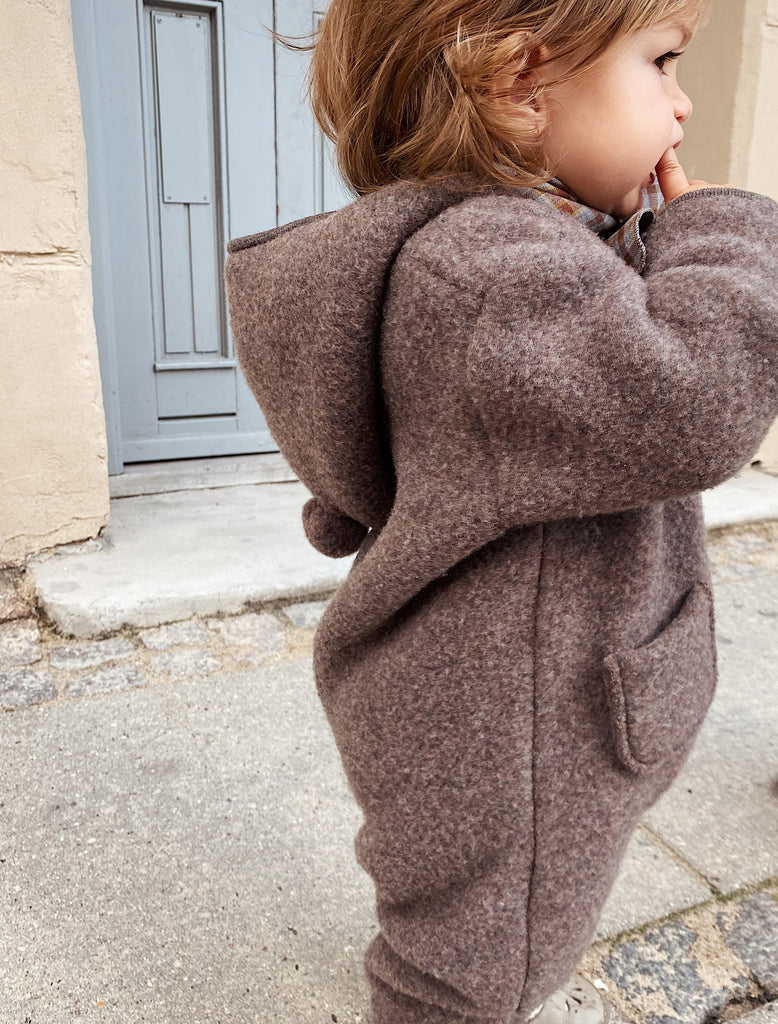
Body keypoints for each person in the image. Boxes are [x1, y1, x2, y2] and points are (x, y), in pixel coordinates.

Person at [224, 1, 778, 1021]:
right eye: (659, 63)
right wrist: (728, 232)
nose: (683, 102)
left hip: (498, 703)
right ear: (520, 84)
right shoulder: (490, 272)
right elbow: (694, 399)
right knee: (468, 977)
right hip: (507, 731)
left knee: (476, 938)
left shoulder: (519, 248)